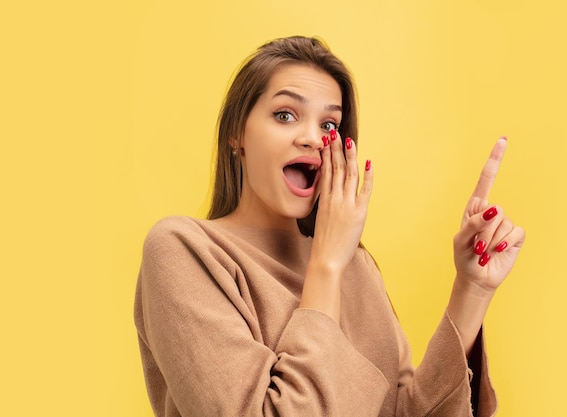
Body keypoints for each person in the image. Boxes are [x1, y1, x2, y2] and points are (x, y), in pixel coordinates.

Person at [134, 36, 524, 417]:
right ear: (237, 134)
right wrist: (326, 266)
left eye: (329, 125)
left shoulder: (357, 267)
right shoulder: (183, 250)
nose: (311, 139)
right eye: (285, 115)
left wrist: (471, 289)